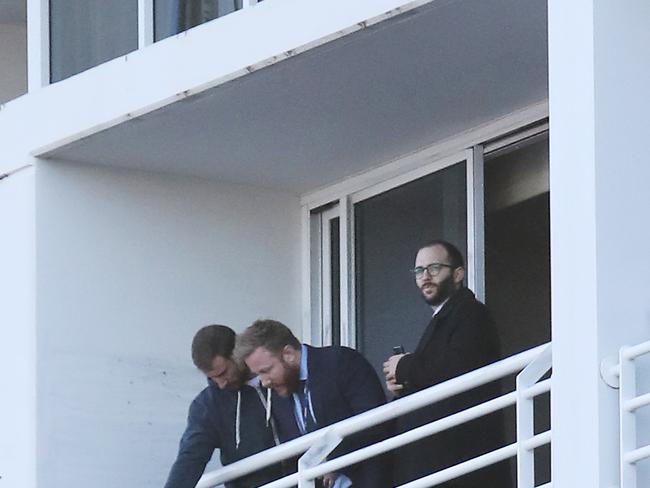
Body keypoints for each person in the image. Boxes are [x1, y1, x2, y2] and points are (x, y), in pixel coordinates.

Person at [383, 240, 512, 487]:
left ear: (458, 273)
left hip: (462, 459)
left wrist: (406, 367)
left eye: (434, 268)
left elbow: (458, 369)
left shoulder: (471, 314)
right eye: (419, 271)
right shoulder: (446, 317)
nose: (425, 277)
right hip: (442, 459)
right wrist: (405, 384)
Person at [235, 319, 391, 488]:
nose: (264, 382)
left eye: (266, 371)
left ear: (289, 354)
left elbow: (374, 423)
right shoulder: (276, 389)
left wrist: (332, 460)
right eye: (258, 375)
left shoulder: (341, 362)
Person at [164, 324, 283, 488]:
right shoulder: (207, 405)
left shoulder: (281, 377)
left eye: (223, 372)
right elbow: (191, 457)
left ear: (237, 354)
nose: (221, 383)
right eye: (212, 378)